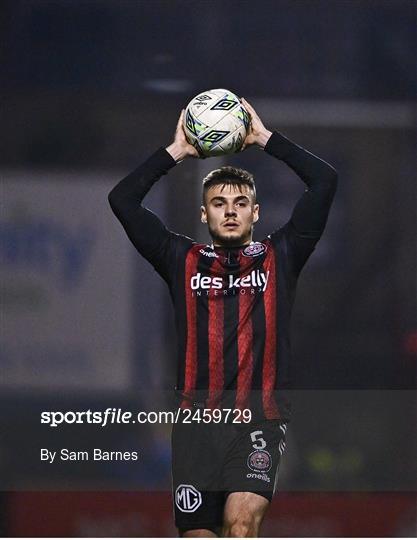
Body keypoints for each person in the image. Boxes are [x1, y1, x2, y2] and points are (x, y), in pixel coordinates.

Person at [108, 98, 337, 537]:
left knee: (240, 524)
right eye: (218, 202)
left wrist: (264, 139)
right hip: (196, 428)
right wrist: (177, 151)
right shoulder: (181, 259)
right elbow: (122, 200)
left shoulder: (280, 256)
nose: (229, 210)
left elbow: (325, 181)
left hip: (259, 421)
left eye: (239, 202)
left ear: (256, 213)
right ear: (204, 214)